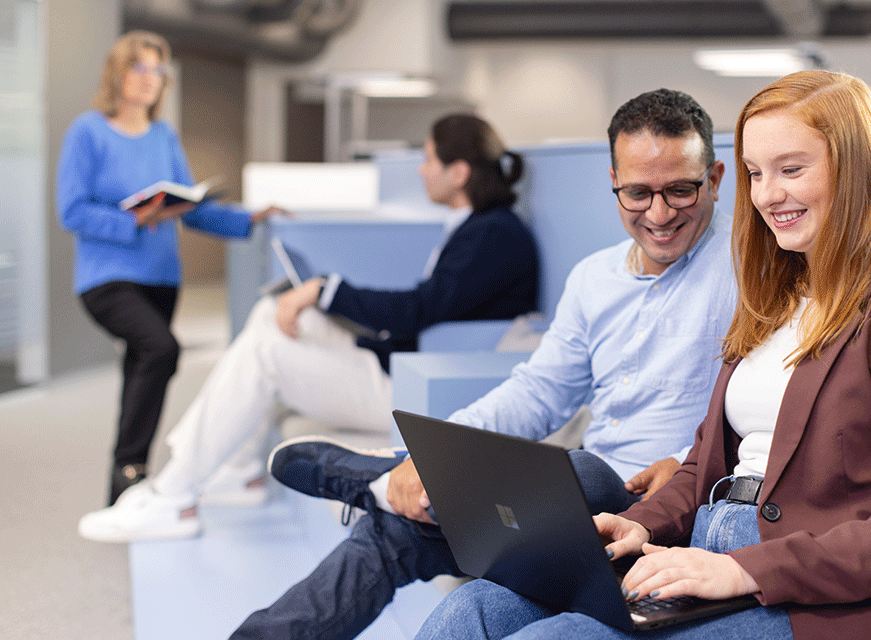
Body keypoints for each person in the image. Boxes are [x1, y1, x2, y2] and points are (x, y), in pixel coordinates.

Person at [414, 71, 871, 640]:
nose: (769, 194)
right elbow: (704, 464)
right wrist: (635, 525)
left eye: (791, 169)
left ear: (853, 170)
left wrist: (740, 569)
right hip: (705, 543)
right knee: (475, 608)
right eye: (756, 173)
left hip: (810, 592)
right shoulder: (770, 294)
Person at [229, 88, 739, 640]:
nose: (659, 214)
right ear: (613, 181)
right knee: (397, 530)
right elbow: (539, 393)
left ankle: (376, 474)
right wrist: (442, 448)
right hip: (586, 510)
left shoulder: (753, 272)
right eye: (638, 193)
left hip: (666, 509)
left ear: (713, 179)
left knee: (584, 470)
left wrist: (694, 461)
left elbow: (772, 410)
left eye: (680, 191)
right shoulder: (595, 278)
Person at [76, 113, 540, 542]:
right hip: (405, 365)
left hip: (418, 394)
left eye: (428, 159)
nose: (420, 170)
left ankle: (174, 496)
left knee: (268, 353)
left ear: (459, 173)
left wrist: (327, 290)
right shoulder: (478, 226)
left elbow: (420, 309)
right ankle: (239, 471)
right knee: (271, 316)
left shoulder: (495, 235)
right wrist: (324, 298)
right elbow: (434, 309)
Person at [57, 30, 284, 506]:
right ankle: (131, 471)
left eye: (157, 71)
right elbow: (71, 210)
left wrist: (249, 218)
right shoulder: (88, 130)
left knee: (143, 367)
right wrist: (135, 220)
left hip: (161, 277)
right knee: (161, 349)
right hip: (107, 277)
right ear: (117, 75)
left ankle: (125, 486)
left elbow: (192, 209)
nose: (148, 80)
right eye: (138, 68)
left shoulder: (163, 136)